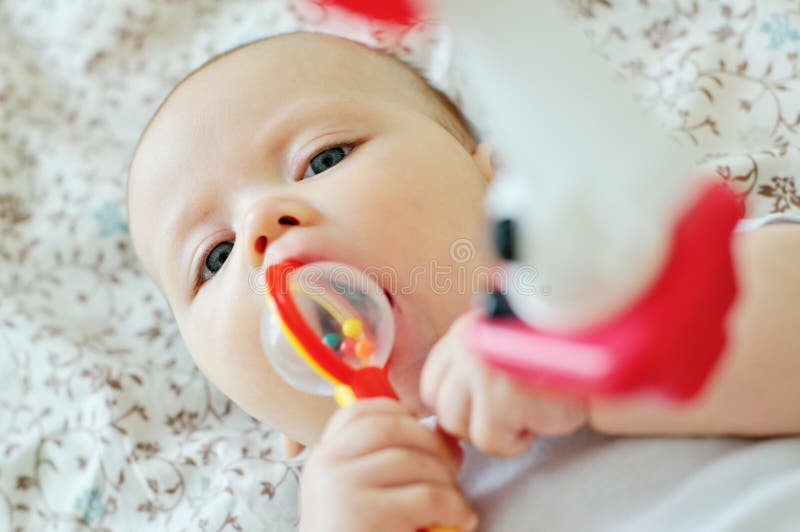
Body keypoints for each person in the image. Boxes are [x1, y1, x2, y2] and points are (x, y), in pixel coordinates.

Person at [127, 31, 800, 531]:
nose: (260, 228)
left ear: (498, 182)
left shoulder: (610, 279)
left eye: (323, 158)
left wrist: (585, 358)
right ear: (276, 426)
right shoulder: (331, 505)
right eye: (214, 257)